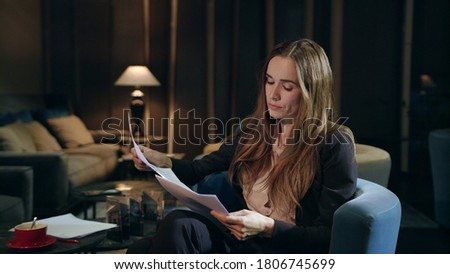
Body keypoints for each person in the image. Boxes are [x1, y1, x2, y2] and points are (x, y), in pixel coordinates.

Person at [127, 38, 357, 254]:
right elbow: (198, 170)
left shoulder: (334, 144)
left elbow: (330, 235)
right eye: (269, 81)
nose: (273, 95)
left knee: (173, 230)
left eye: (287, 87)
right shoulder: (253, 131)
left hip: (285, 249)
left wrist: (268, 227)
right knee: (146, 245)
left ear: (312, 91)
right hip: (242, 241)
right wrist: (162, 161)